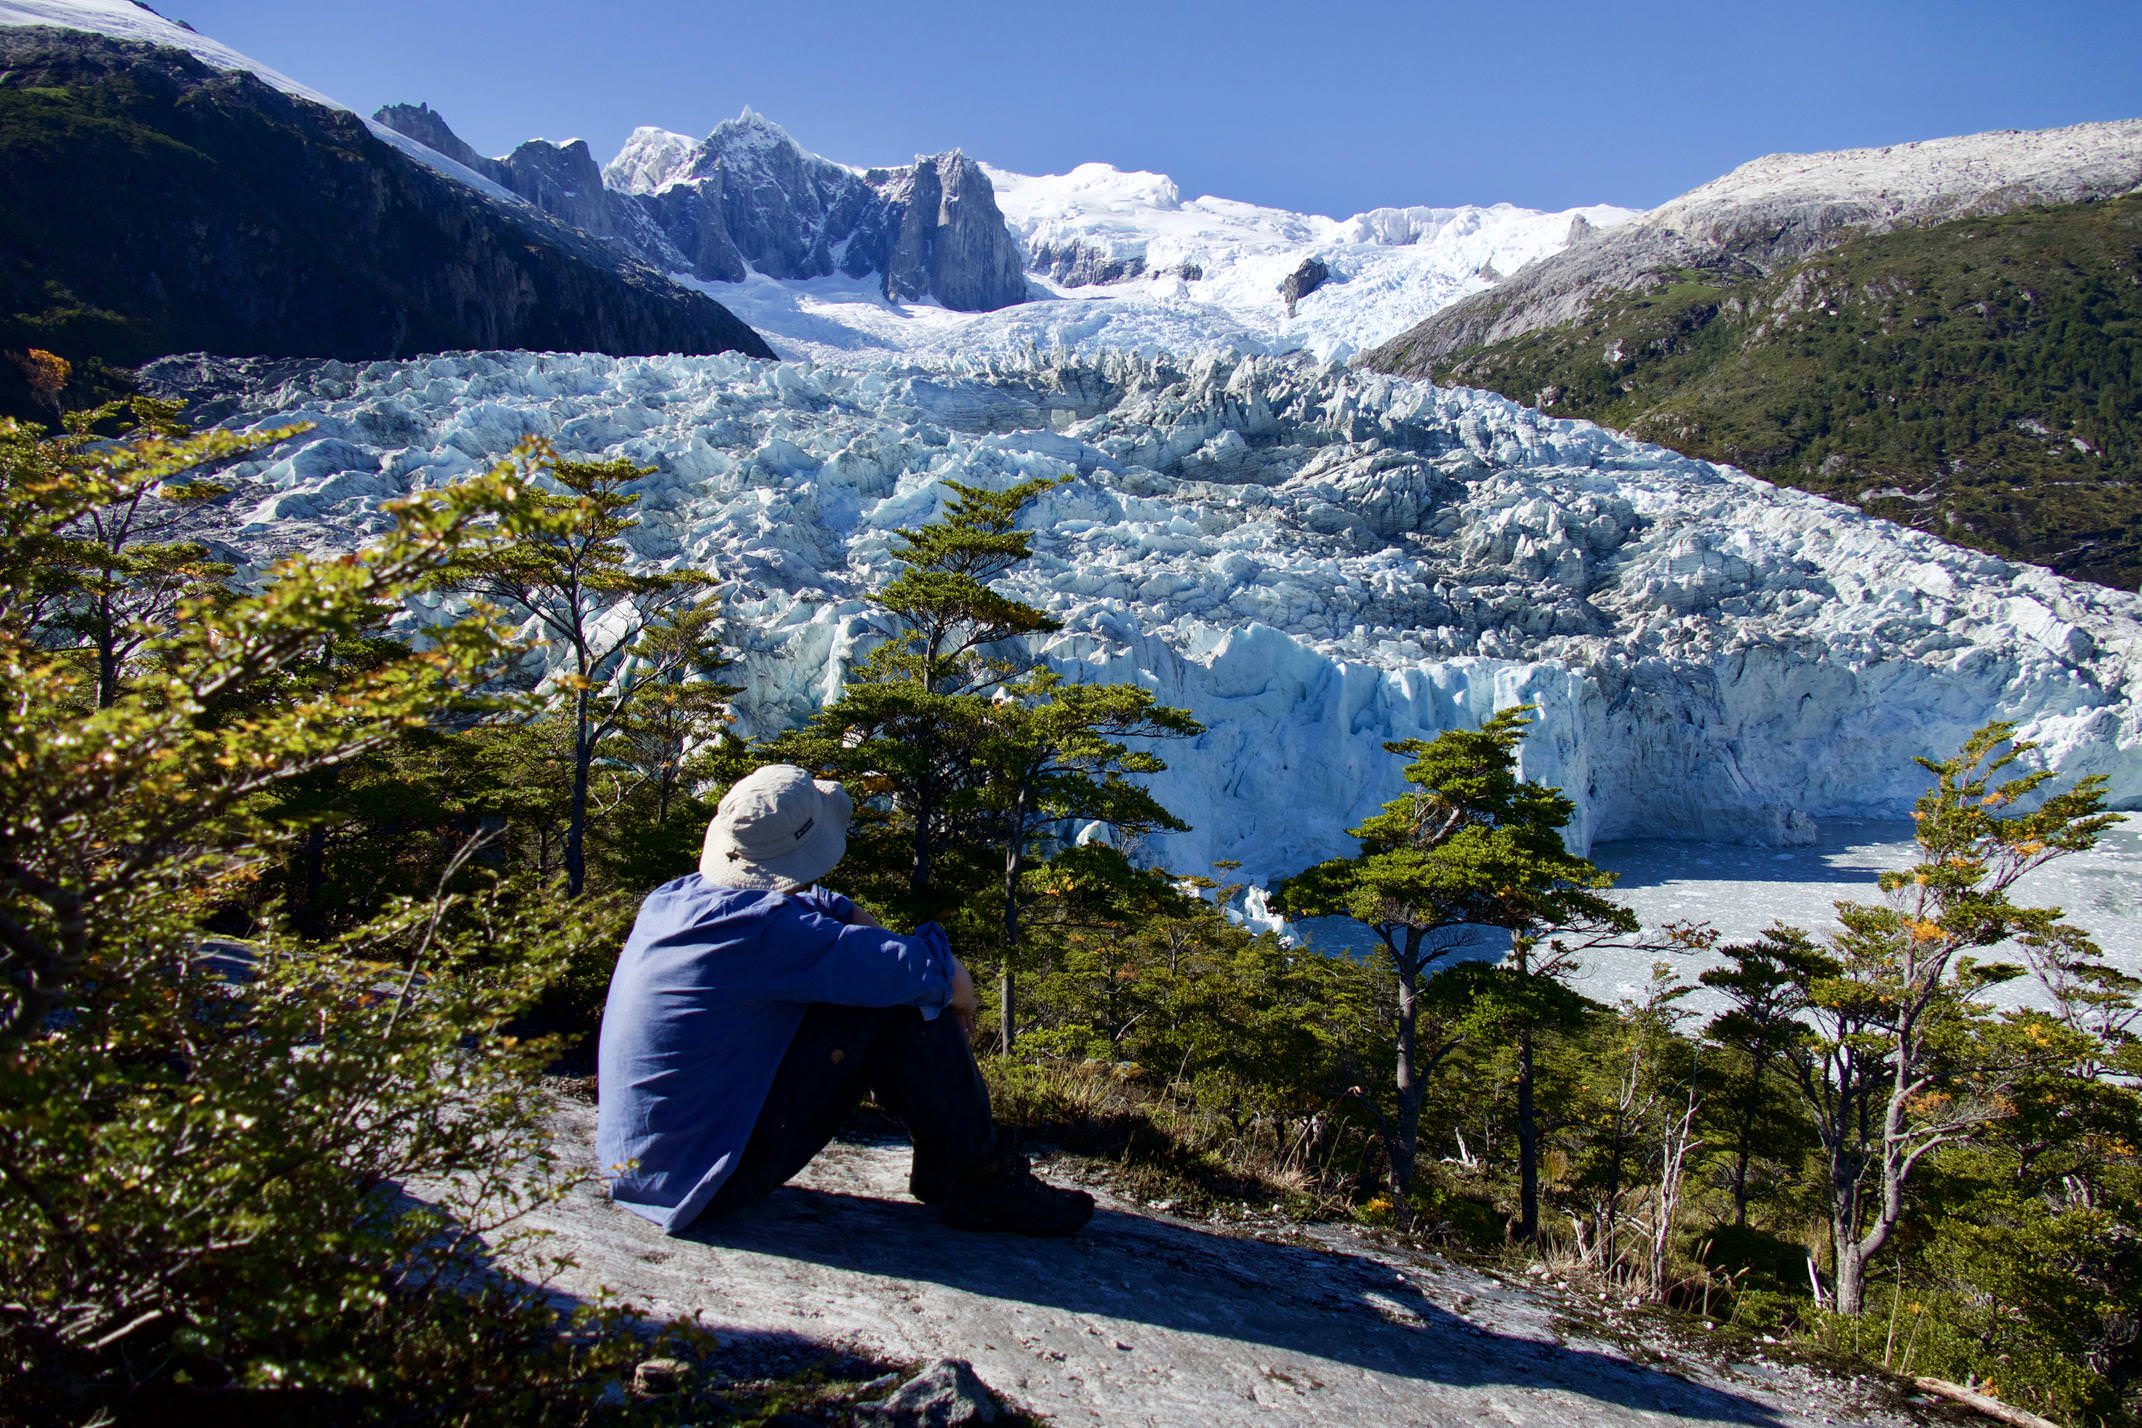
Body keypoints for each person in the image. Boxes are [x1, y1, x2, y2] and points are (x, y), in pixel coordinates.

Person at [595, 764, 1095, 1237]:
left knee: (878, 985)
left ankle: (955, 1172)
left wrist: (856, 921)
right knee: (898, 1009)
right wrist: (955, 1001)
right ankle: (982, 1180)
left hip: (649, 1166)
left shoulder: (674, 897)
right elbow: (938, 975)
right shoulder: (770, 935)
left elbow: (819, 907)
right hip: (704, 1180)